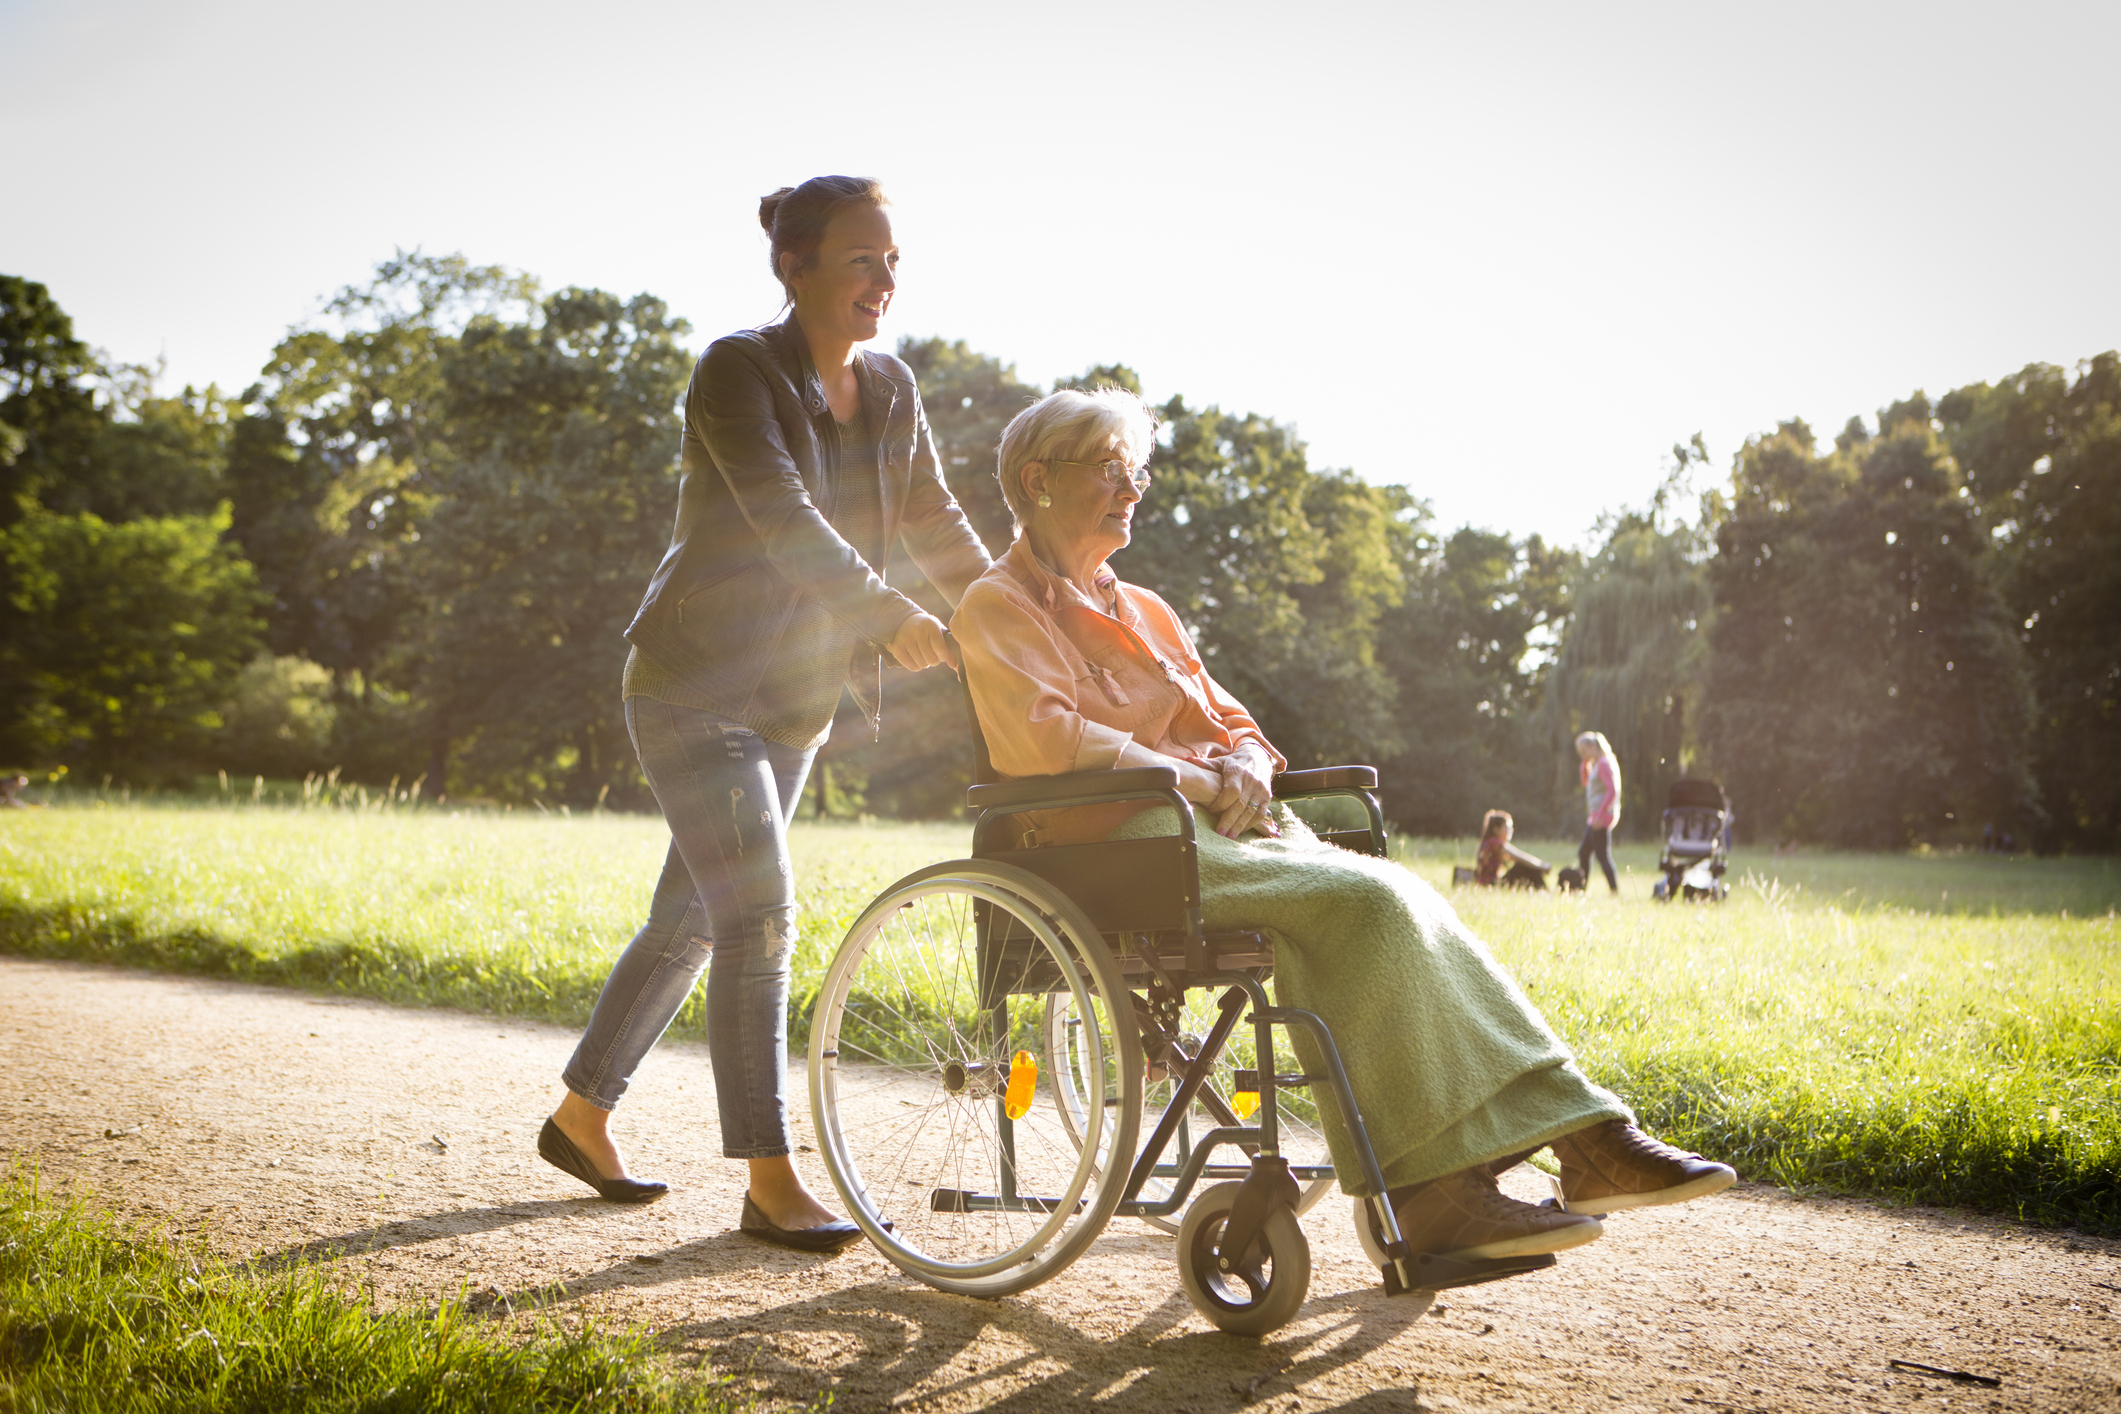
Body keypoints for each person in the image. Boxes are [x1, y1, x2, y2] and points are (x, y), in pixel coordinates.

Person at [949, 388, 1734, 1264]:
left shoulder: (1149, 610)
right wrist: (1205, 780)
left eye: (1137, 469)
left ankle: (1568, 1141)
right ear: (1036, 479)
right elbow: (1050, 742)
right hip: (1113, 843)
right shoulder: (996, 607)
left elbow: (1233, 723)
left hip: (1213, 823)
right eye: (1110, 468)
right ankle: (1464, 1184)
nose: (1132, 488)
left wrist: (1243, 762)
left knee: (1392, 891)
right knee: (1365, 903)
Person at [540, 177, 991, 1252]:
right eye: (859, 260)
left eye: (892, 260)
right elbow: (783, 514)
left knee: (692, 918)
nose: (884, 281)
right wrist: (887, 613)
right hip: (694, 683)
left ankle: (580, 1115)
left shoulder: (891, 390)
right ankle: (769, 1178)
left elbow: (937, 517)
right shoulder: (738, 369)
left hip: (791, 702)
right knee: (759, 919)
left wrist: (1019, 612)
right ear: (794, 267)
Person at [1575, 731, 1622, 895]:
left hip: (1600, 817)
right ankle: (1582, 888)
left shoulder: (1603, 763)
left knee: (1601, 855)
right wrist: (1584, 765)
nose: (1583, 755)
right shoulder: (1599, 763)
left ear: (1593, 746)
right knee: (1585, 852)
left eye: (1584, 751)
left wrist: (1601, 815)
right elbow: (1587, 783)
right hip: (1595, 816)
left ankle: (1613, 890)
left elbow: (1612, 790)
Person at [1475, 809, 1548, 888]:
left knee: (1527, 867)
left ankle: (1542, 890)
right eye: (1507, 828)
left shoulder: (1489, 842)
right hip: (1491, 885)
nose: (1510, 831)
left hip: (1488, 884)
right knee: (1523, 866)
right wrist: (1541, 866)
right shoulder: (1495, 843)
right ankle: (1545, 891)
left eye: (1511, 828)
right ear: (1495, 829)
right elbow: (1519, 857)